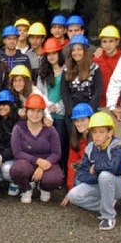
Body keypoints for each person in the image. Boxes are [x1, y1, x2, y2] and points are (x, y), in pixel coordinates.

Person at [66, 112, 121, 230]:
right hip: (99, 183)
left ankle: (108, 216)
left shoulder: (117, 146)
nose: (97, 136)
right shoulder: (90, 147)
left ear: (110, 132)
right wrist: (96, 176)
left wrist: (96, 168)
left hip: (120, 186)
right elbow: (82, 174)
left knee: (105, 176)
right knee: (72, 195)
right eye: (94, 132)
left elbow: (116, 168)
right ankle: (106, 203)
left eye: (101, 132)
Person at [10, 95, 62, 204]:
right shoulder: (19, 128)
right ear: (26, 112)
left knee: (55, 179)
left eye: (39, 111)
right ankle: (26, 188)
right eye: (32, 111)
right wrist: (37, 161)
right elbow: (17, 152)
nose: (35, 114)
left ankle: (44, 187)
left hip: (47, 162)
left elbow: (56, 153)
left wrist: (43, 166)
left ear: (43, 113)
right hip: (27, 161)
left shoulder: (50, 130)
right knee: (16, 170)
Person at [61, 35, 103, 141]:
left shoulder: (94, 68)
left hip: (91, 111)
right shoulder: (66, 69)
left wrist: (89, 111)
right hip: (72, 113)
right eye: (73, 50)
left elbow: (98, 91)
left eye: (79, 49)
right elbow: (64, 92)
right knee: (74, 143)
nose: (76, 52)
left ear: (85, 50)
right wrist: (71, 111)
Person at [37, 38, 67, 173]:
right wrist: (48, 106)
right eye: (49, 54)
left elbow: (69, 92)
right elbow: (40, 92)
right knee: (47, 146)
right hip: (48, 115)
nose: (52, 57)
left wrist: (61, 106)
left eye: (54, 53)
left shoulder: (67, 71)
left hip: (62, 115)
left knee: (61, 145)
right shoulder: (43, 74)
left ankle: (61, 171)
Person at [92, 25, 121, 114]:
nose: (108, 45)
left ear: (117, 42)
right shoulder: (96, 60)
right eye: (104, 41)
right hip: (101, 106)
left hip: (120, 106)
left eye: (111, 41)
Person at [66, 103, 94, 190]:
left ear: (90, 120)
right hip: (85, 173)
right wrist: (71, 189)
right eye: (76, 121)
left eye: (82, 120)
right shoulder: (76, 140)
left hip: (98, 175)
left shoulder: (97, 137)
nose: (79, 124)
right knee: (78, 182)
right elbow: (72, 165)